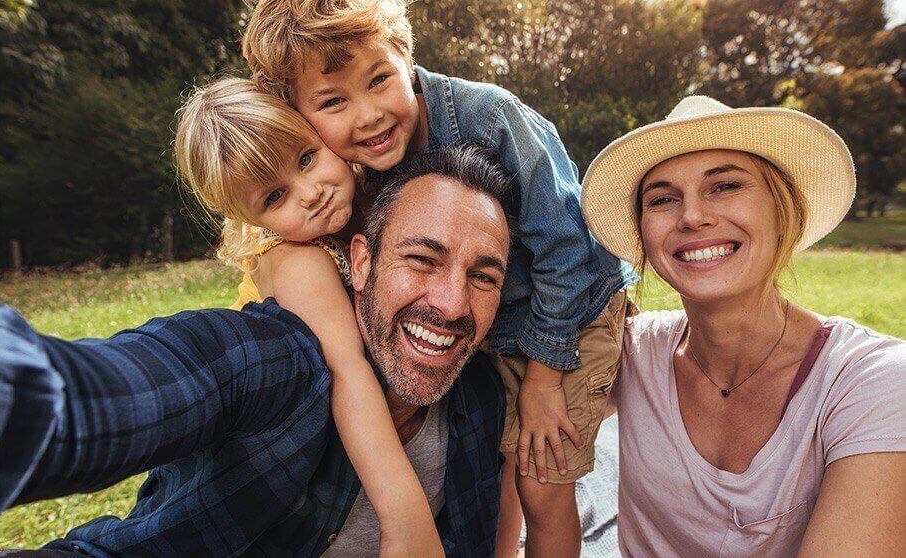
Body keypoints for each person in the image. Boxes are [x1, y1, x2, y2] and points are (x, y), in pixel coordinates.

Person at [241, 2, 636, 555]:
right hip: (488, 319)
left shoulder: (491, 119)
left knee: (541, 476)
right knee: (501, 461)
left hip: (576, 312)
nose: (369, 115)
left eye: (379, 80)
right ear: (303, 117)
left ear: (405, 57)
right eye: (333, 102)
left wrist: (545, 380)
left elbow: (571, 248)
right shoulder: (361, 169)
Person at [0, 144, 511, 557]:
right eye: (422, 259)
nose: (451, 304)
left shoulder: (483, 399)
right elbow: (109, 396)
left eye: (483, 276)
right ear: (359, 263)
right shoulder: (274, 361)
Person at [580, 95, 906, 557]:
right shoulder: (631, 352)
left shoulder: (873, 381)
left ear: (782, 210)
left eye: (725, 186)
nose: (692, 216)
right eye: (663, 199)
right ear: (644, 237)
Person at [174, 76, 442, 554]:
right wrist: (405, 516)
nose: (310, 192)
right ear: (249, 218)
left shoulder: (364, 198)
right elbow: (347, 373)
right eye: (275, 197)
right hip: (261, 457)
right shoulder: (301, 263)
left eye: (306, 158)